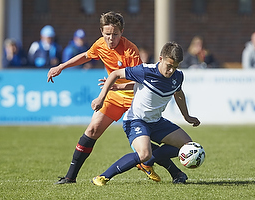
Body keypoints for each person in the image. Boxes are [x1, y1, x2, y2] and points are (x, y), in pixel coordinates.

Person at [48, 11, 180, 185]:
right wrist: (62, 66)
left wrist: (117, 86)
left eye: (115, 34)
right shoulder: (100, 44)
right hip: (114, 96)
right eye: (107, 34)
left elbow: (140, 83)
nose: (111, 38)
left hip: (134, 98)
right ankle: (70, 177)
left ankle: (173, 171)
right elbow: (86, 56)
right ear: (101, 32)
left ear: (122, 32)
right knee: (92, 130)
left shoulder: (130, 50)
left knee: (143, 146)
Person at [91, 41, 200, 186]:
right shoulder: (145, 70)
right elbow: (116, 73)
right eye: (169, 66)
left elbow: (178, 93)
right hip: (136, 120)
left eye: (175, 67)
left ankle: (147, 162)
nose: (171, 71)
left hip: (156, 122)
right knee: (144, 154)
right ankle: (103, 177)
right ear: (160, 59)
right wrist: (101, 97)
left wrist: (187, 116)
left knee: (187, 146)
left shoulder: (178, 76)